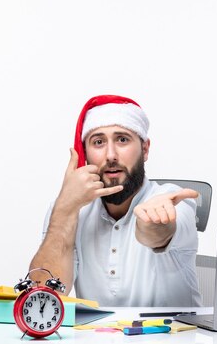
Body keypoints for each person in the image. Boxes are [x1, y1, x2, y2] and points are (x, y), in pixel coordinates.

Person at [29, 95, 202, 307]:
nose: (111, 155)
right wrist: (65, 208)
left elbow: (160, 234)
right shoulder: (69, 209)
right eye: (99, 142)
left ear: (145, 149)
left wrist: (152, 225)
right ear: (85, 154)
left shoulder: (171, 199)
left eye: (122, 139)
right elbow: (42, 300)